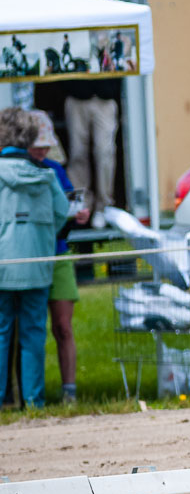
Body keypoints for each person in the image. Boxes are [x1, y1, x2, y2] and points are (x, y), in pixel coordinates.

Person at [0, 108, 70, 409]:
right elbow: (61, 214)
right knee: (32, 334)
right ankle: (34, 401)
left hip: (3, 267)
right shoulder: (48, 176)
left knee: (2, 333)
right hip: (38, 266)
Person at [28, 110, 89, 404]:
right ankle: (30, 394)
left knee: (63, 327)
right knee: (31, 329)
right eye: (36, 144)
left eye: (45, 144)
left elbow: (69, 205)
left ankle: (70, 393)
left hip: (59, 255)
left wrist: (79, 214)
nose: (42, 150)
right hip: (30, 257)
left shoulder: (55, 169)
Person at [62, 77, 121, 228]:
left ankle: (103, 207)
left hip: (104, 95)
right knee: (76, 153)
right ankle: (79, 206)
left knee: (104, 153)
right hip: (76, 94)